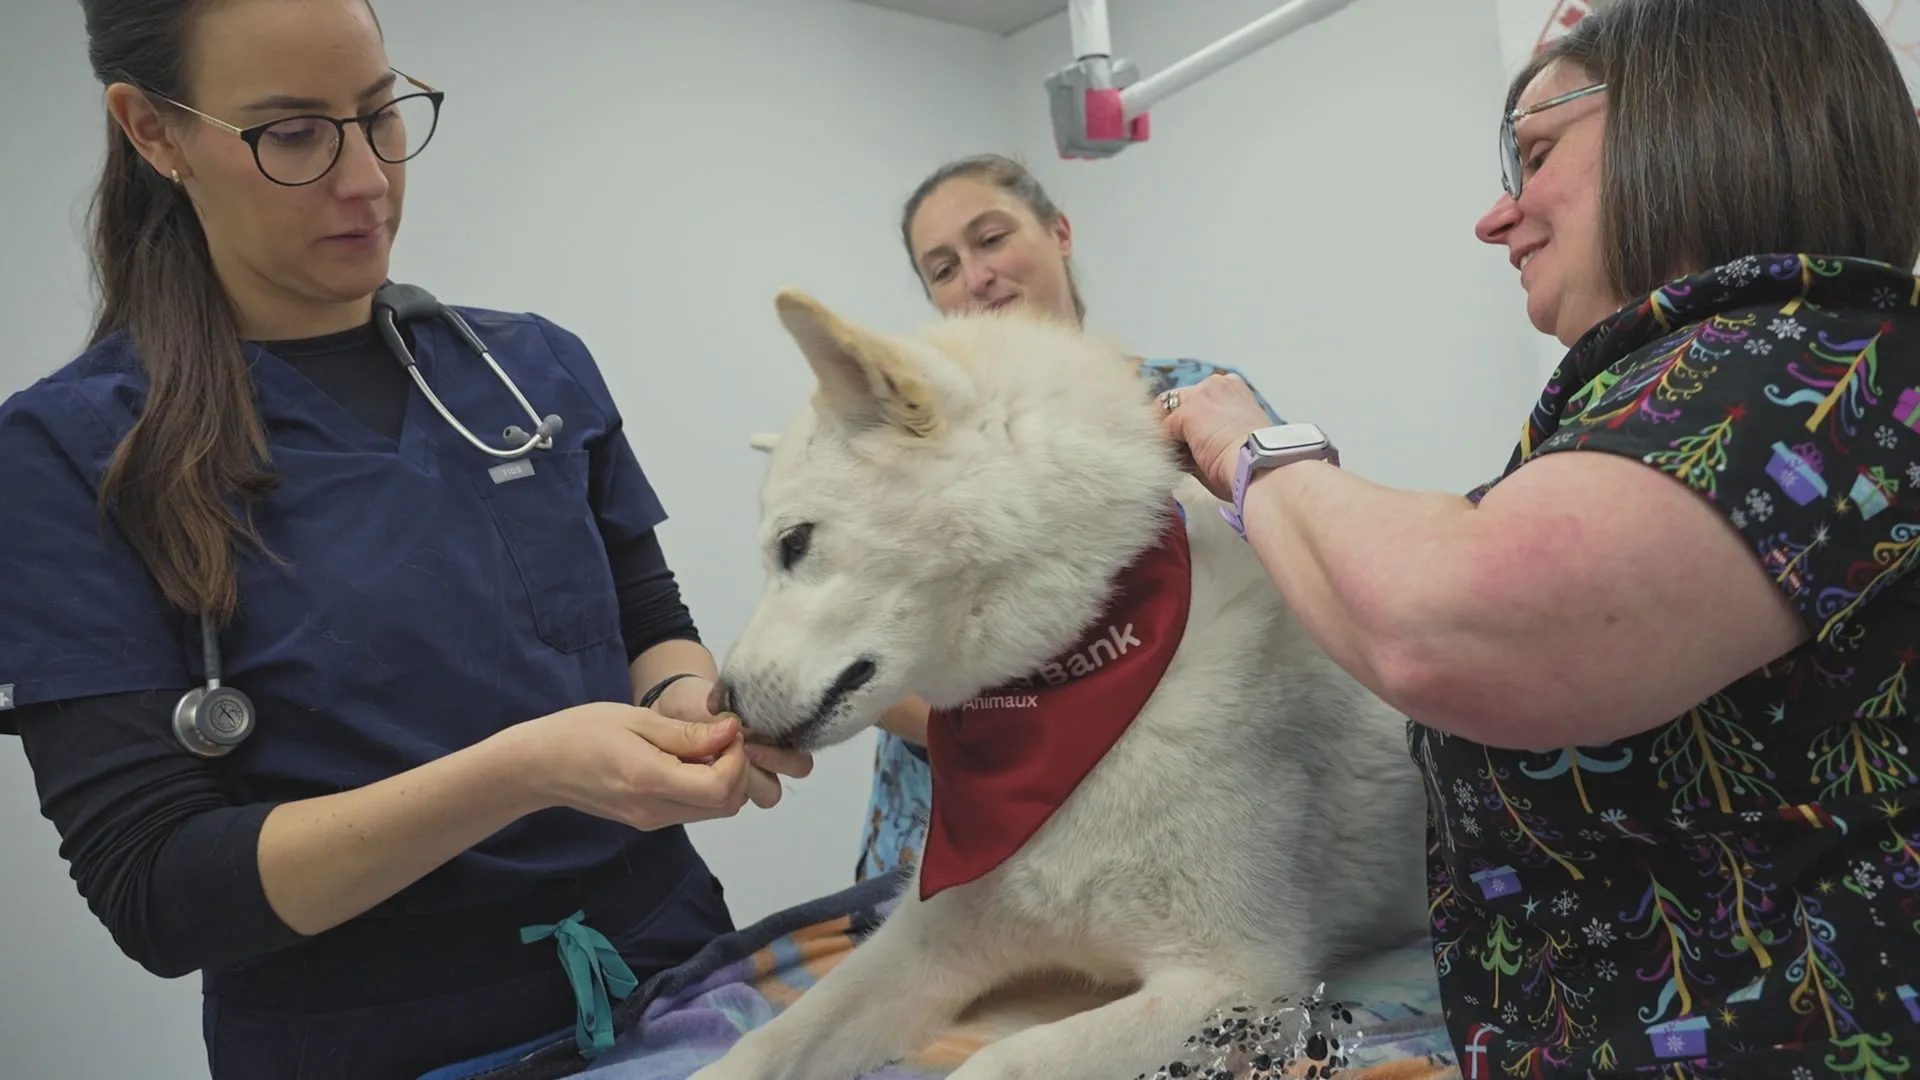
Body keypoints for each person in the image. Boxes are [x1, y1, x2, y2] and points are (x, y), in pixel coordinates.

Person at [0, 2, 811, 1077]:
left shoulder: (533, 369)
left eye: (383, 114)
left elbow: (645, 621)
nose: (370, 178)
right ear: (152, 131)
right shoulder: (72, 450)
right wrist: (526, 771)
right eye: (293, 135)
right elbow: (161, 893)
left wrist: (691, 716)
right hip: (376, 1039)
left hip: (676, 970)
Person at [1161, 0, 1920, 1075]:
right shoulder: (1688, 397)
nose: (1496, 217)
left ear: (1692, 119)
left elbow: (1442, 620)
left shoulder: (1808, 364)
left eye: (1538, 154)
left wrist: (1255, 450)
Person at [853, 153, 1283, 882]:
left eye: (990, 239)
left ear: (1059, 231)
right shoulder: (912, 446)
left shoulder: (1193, 402)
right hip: (953, 833)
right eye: (943, 268)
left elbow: (1289, 581)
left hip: (1169, 809)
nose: (976, 276)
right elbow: (859, 648)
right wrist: (1019, 735)